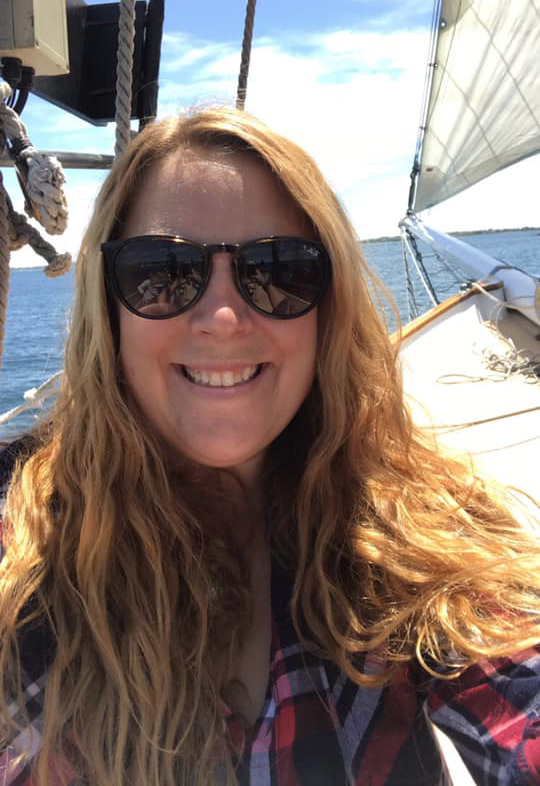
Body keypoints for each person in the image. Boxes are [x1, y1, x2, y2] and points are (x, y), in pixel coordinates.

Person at [0, 107, 539, 786]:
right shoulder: (26, 552)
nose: (224, 318)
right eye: (162, 272)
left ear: (328, 308)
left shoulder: (417, 527)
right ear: (108, 310)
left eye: (279, 271)